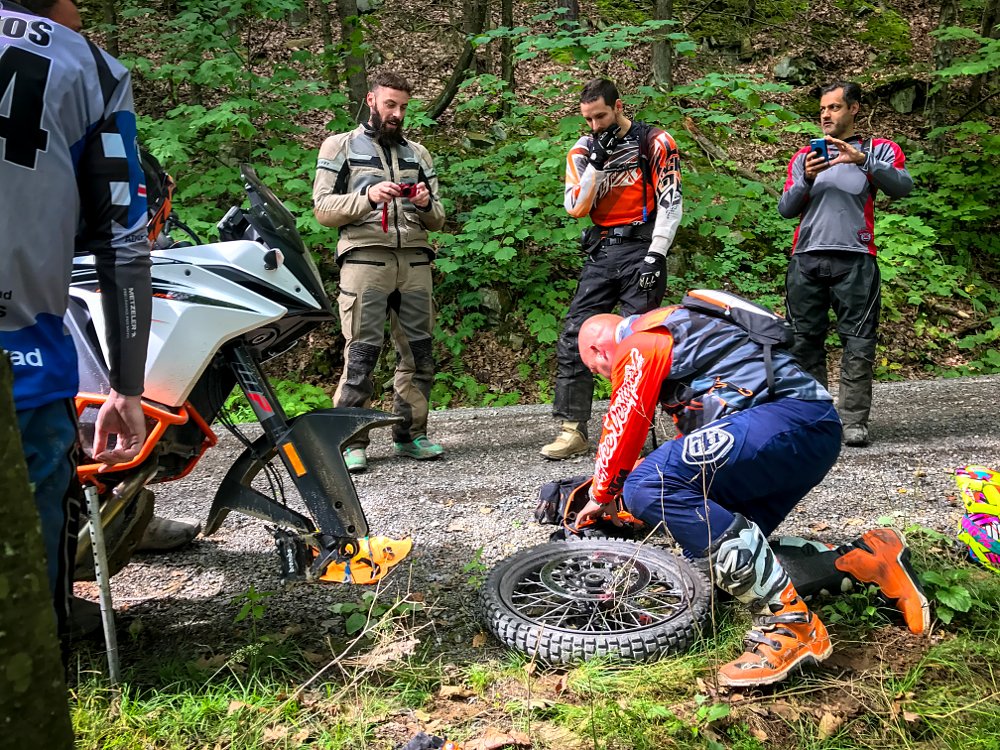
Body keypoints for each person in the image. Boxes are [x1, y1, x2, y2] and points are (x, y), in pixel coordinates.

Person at [572, 304, 929, 688]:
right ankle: (866, 558)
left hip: (785, 418)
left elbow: (625, 417)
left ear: (598, 351)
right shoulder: (689, 334)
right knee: (717, 570)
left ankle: (791, 627)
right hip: (808, 431)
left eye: (596, 371)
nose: (602, 376)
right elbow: (702, 447)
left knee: (647, 483)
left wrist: (603, 491)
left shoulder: (642, 339)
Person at [0, 0, 151, 650]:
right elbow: (124, 241)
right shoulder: (87, 65)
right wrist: (126, 384)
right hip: (25, 364)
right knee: (27, 608)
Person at [313, 71, 447, 474]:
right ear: (371, 101)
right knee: (361, 353)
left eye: (404, 106)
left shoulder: (418, 154)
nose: (397, 113)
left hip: (415, 261)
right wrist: (367, 196)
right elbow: (322, 209)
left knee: (420, 352)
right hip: (364, 260)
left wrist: (424, 203)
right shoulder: (339, 146)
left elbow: (439, 217)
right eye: (390, 104)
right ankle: (351, 440)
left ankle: (411, 434)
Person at [542, 78, 683, 460]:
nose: (594, 126)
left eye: (600, 116)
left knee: (639, 341)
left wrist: (658, 253)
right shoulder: (583, 150)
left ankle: (636, 431)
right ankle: (573, 429)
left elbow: (671, 201)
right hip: (603, 249)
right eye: (587, 119)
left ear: (618, 106)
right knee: (576, 332)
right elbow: (576, 207)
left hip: (643, 246)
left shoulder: (654, 142)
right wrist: (597, 165)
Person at [779, 81, 913, 448]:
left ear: (854, 109)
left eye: (834, 108)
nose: (825, 115)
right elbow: (786, 208)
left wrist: (864, 161)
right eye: (822, 109)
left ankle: (853, 421)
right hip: (806, 257)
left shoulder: (880, 149)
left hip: (856, 257)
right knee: (803, 342)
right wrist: (806, 178)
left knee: (858, 342)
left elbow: (903, 186)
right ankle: (816, 419)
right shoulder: (804, 156)